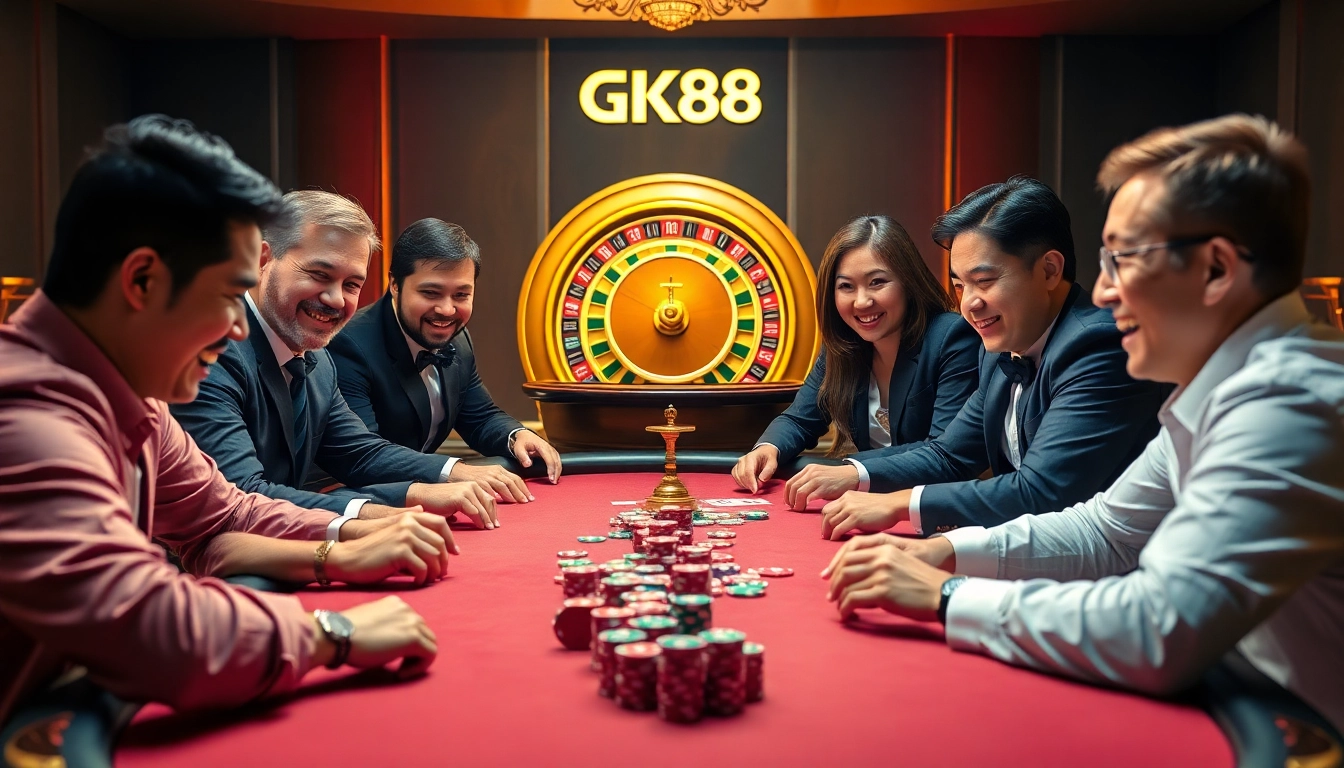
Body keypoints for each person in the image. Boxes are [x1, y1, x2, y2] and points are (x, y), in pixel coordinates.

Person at [823, 115, 1344, 731]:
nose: (1102, 293)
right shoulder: (1220, 388)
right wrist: (945, 551)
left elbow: (1159, 630)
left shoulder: (1287, 402)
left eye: (1124, 260)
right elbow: (1105, 532)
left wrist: (944, 597)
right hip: (1249, 705)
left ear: (1216, 270)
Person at [0, 116, 455, 724]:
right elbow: (148, 627)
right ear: (141, 280)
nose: (240, 328)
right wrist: (331, 630)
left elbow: (229, 511)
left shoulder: (133, 396)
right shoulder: (27, 420)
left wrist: (341, 546)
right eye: (226, 297)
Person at [797, 177, 1169, 540]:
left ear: (1050, 270)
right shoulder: (1001, 347)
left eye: (985, 281)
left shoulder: (1098, 344)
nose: (968, 304)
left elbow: (1040, 491)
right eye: (960, 285)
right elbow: (950, 454)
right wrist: (854, 474)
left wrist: (902, 504)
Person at [171, 191, 501, 534]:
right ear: (261, 260)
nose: (335, 299)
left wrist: (446, 476)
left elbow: (358, 453)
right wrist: (377, 514)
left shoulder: (317, 358)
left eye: (352, 284)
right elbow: (242, 494)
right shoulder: (208, 349)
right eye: (318, 274)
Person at [732, 215, 980, 493]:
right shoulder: (843, 345)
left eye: (877, 282)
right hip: (867, 508)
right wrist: (768, 448)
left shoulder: (952, 337)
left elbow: (944, 452)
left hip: (936, 510)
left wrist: (852, 471)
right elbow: (800, 419)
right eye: (846, 286)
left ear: (908, 283)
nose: (862, 301)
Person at [330, 218, 561, 504]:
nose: (447, 309)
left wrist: (515, 436)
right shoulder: (348, 345)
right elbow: (362, 456)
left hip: (414, 497)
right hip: (341, 500)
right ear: (395, 284)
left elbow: (479, 416)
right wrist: (452, 470)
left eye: (461, 295)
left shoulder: (457, 339)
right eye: (430, 293)